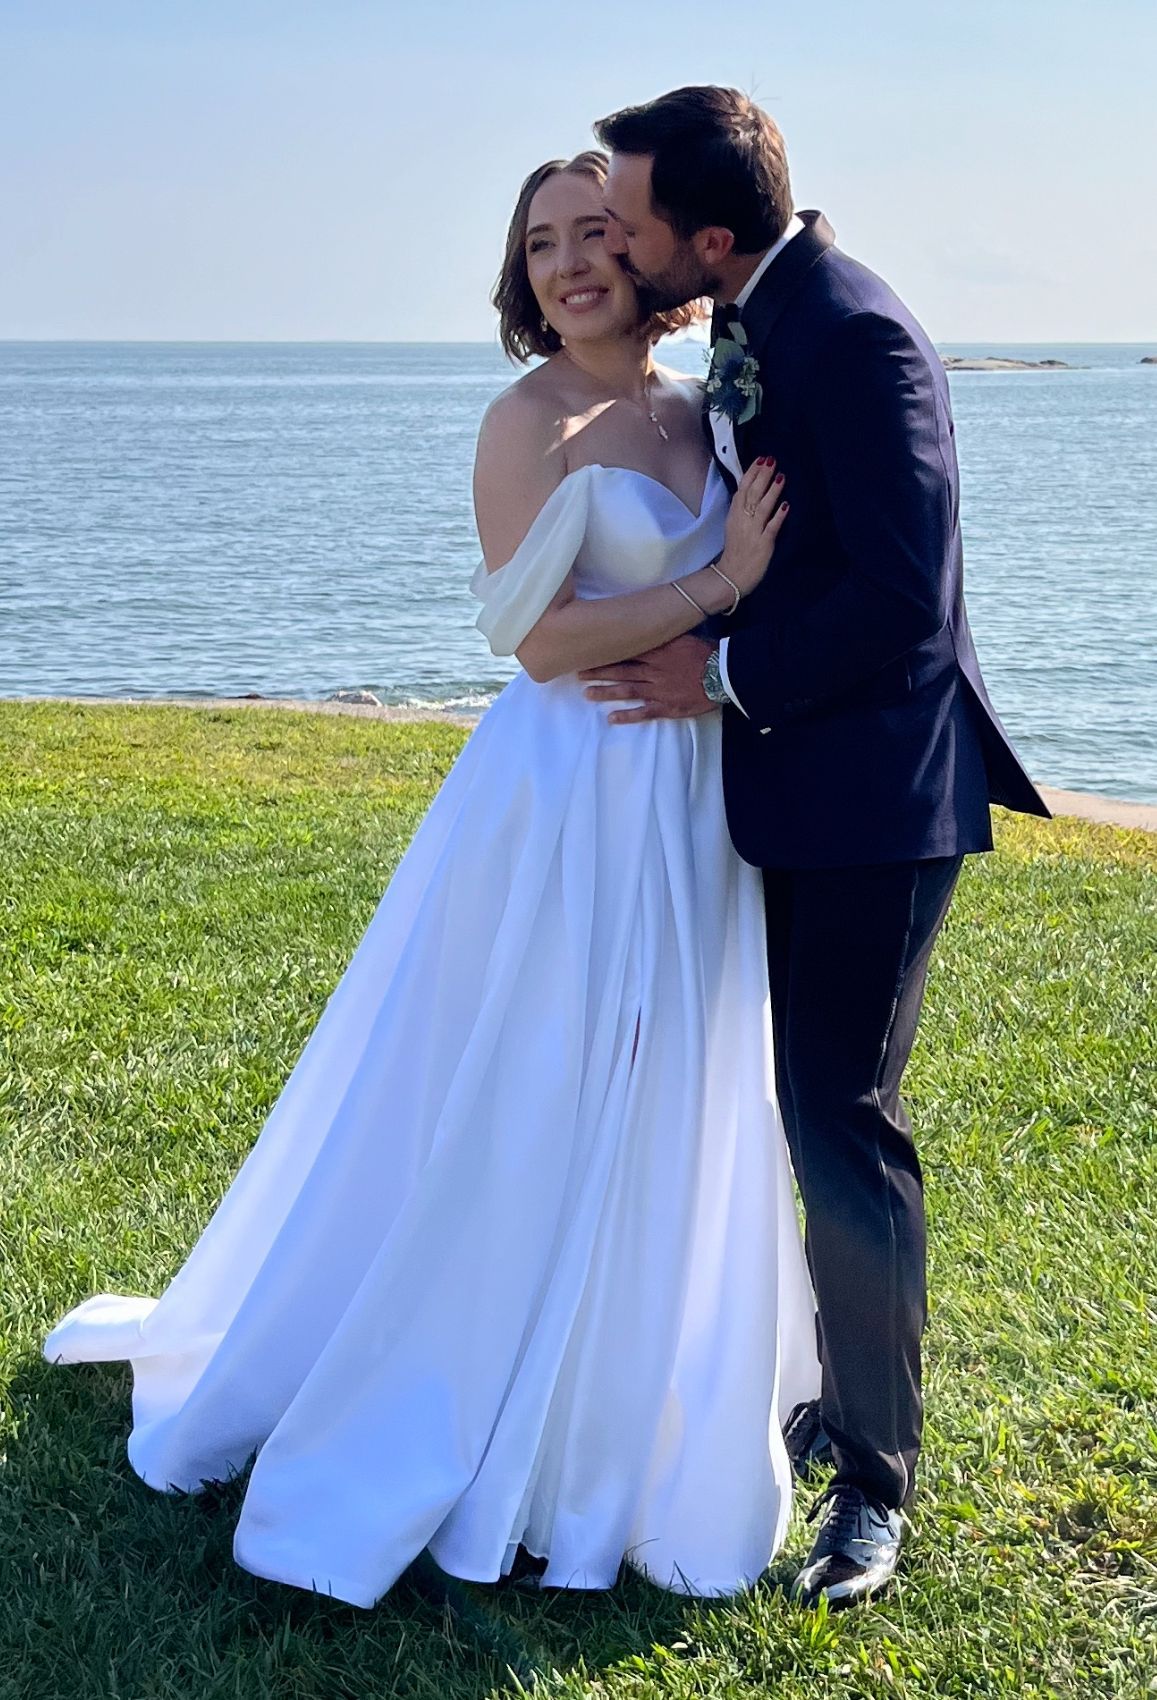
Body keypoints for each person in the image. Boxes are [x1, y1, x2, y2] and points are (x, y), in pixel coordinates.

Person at [42, 150, 820, 1608]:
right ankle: (467, 1384)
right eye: (541, 246)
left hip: (688, 794)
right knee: (532, 1073)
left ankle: (634, 1375)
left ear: (649, 256)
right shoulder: (527, 420)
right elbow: (535, 648)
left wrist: (732, 644)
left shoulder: (698, 400)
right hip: (567, 794)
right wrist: (719, 589)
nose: (573, 263)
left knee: (674, 1070)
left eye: (597, 233)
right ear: (519, 279)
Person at [586, 86, 1051, 1608]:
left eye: (634, 221)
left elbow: (904, 597)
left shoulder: (853, 334)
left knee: (842, 1117)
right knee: (793, 1106)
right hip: (784, 790)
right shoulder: (760, 312)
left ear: (708, 238)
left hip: (871, 802)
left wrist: (720, 675)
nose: (617, 236)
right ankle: (829, 1393)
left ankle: (875, 1484)